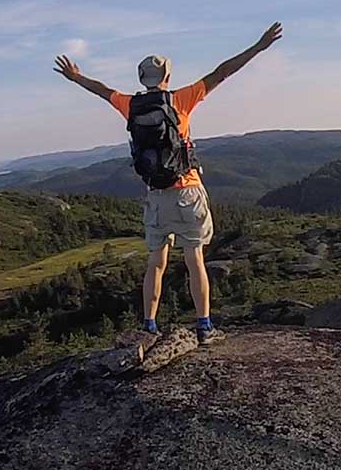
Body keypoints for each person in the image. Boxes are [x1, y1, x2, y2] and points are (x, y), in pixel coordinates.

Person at [53, 22, 283, 346]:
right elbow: (222, 72)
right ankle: (204, 326)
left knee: (155, 263)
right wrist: (258, 47)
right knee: (195, 259)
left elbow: (102, 90)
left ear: (141, 79)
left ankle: (148, 326)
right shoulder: (181, 99)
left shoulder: (129, 105)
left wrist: (76, 77)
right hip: (187, 189)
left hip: (156, 194)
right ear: (167, 77)